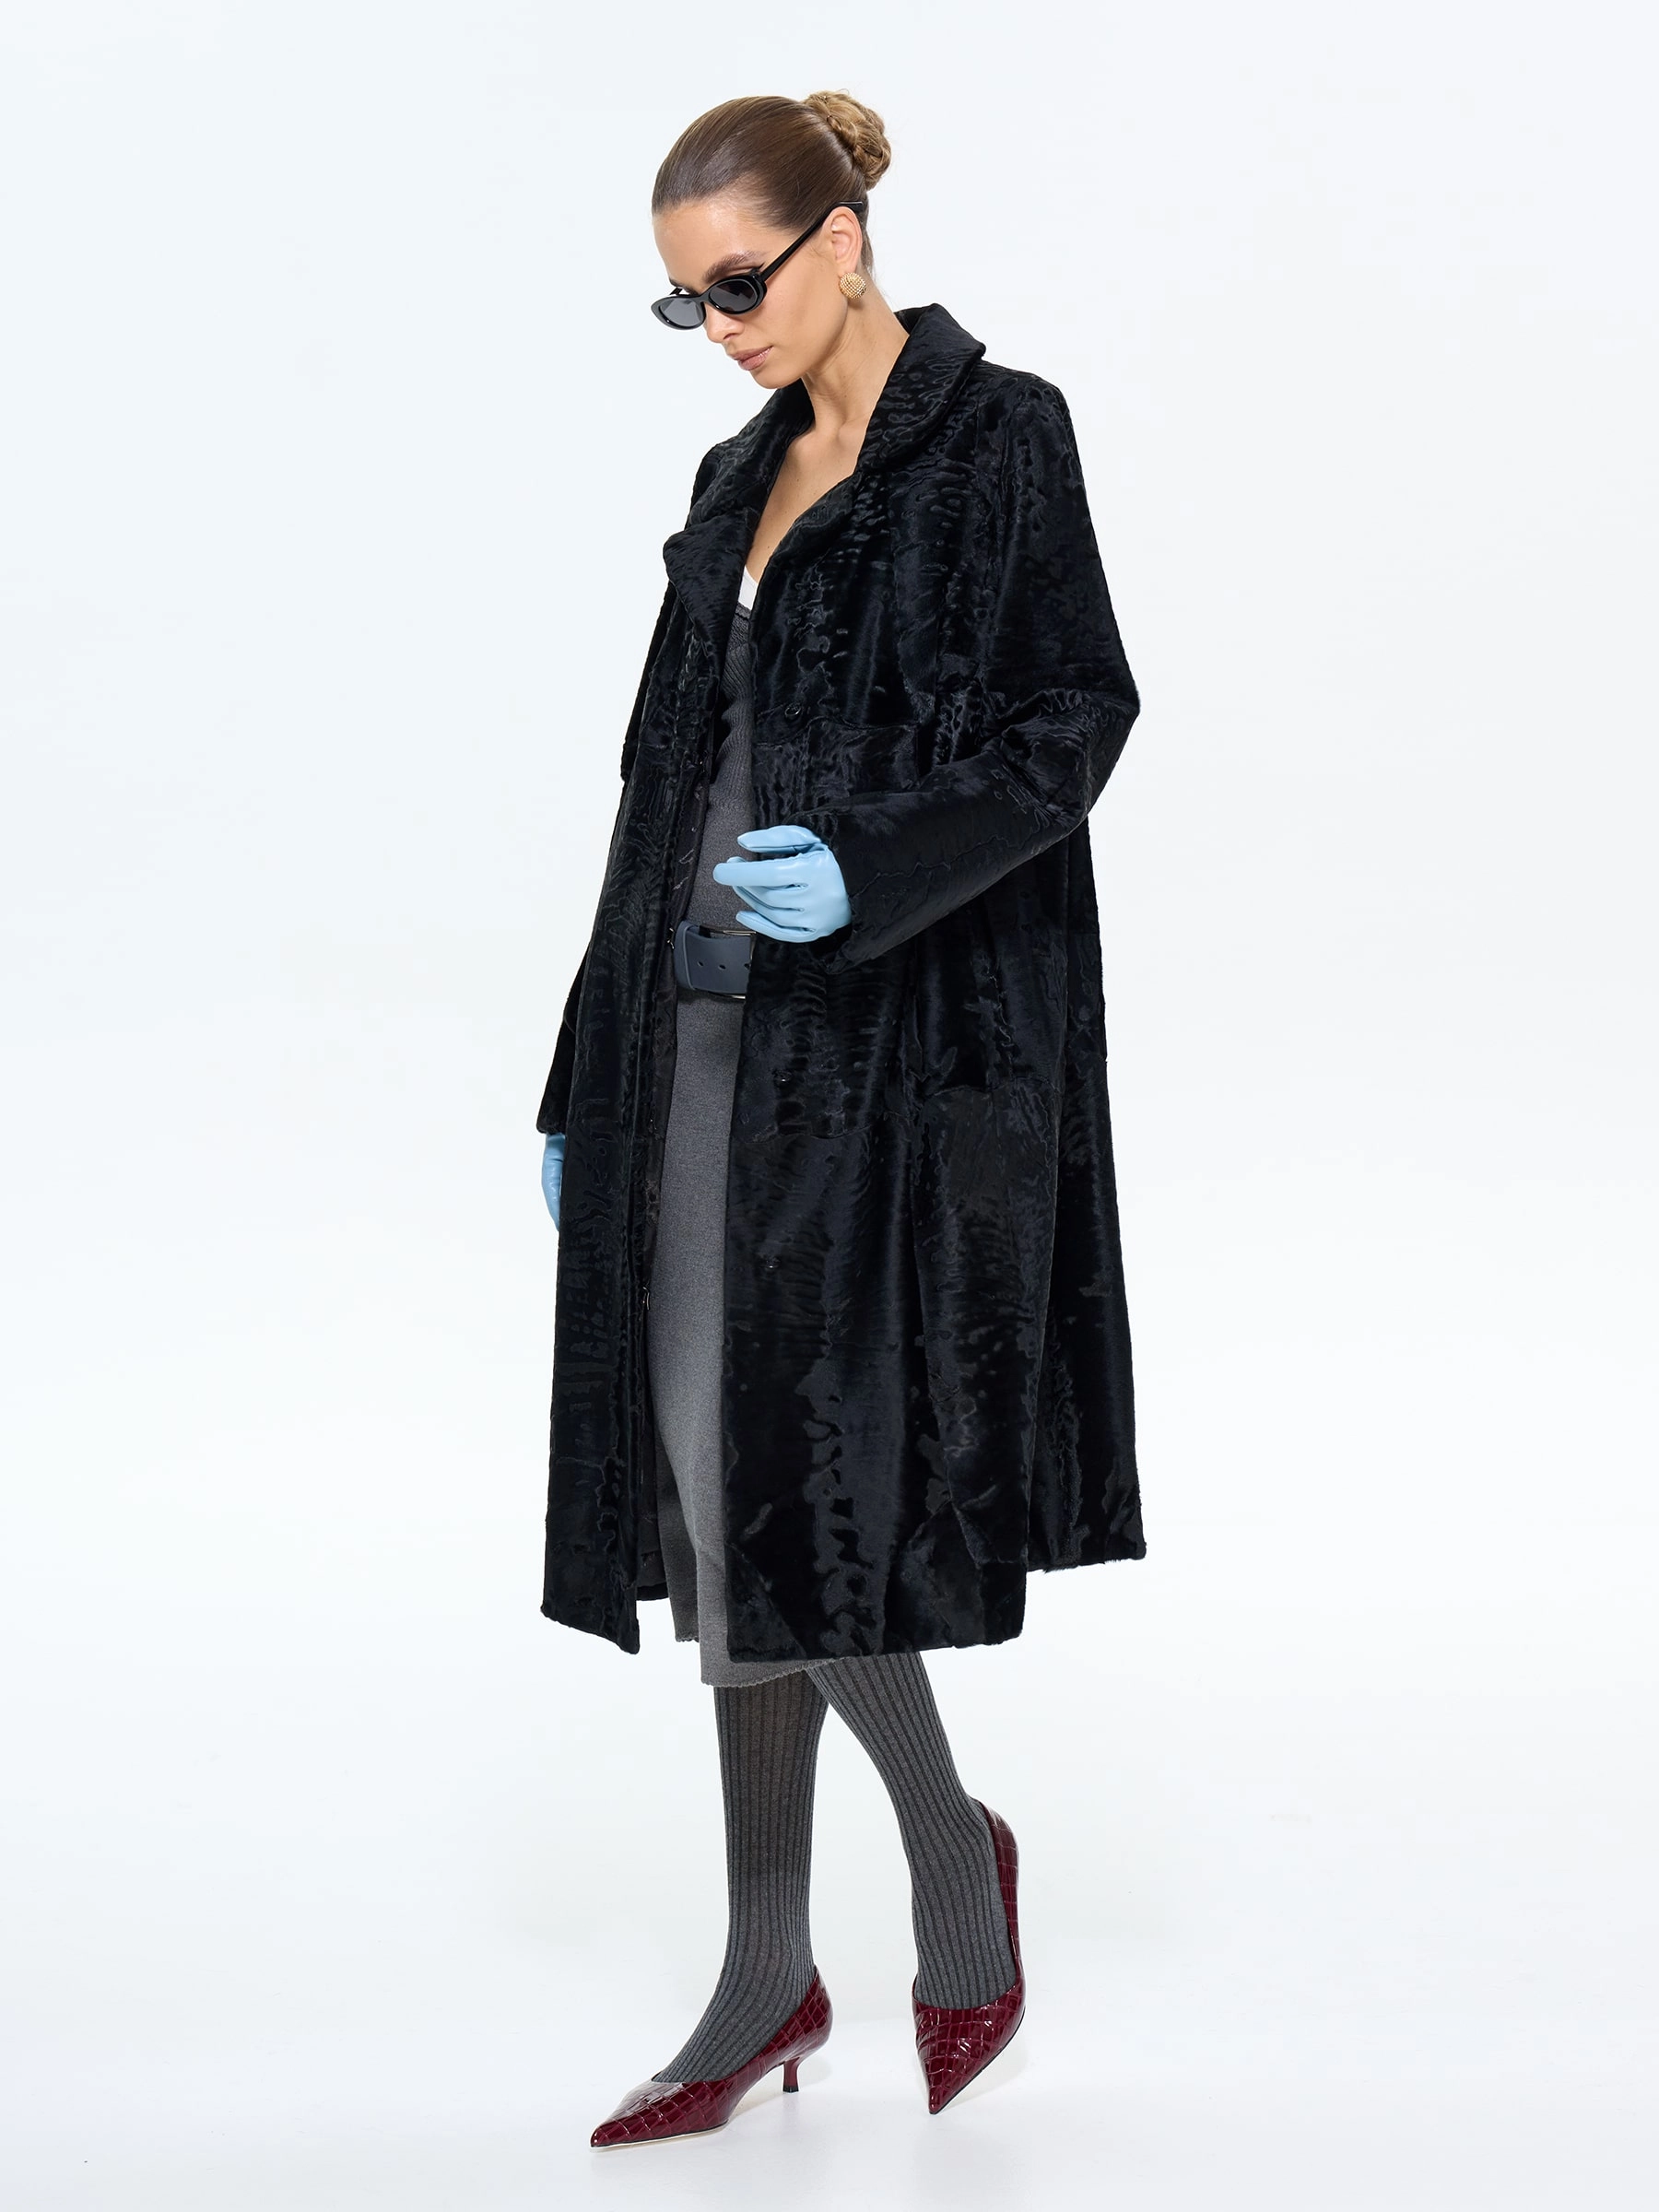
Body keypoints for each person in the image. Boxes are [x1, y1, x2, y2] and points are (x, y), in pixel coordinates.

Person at [535, 89, 1146, 2147]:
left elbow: (1076, 720)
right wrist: (582, 1072)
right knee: (713, 1499)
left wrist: (875, 867)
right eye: (684, 302)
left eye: (740, 284)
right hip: (693, 1041)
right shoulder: (733, 479)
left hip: (886, 1058)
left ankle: (941, 1871)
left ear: (844, 237)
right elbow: (654, 789)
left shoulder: (1002, 440)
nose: (720, 329)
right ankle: (771, 1964)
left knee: (796, 1496)